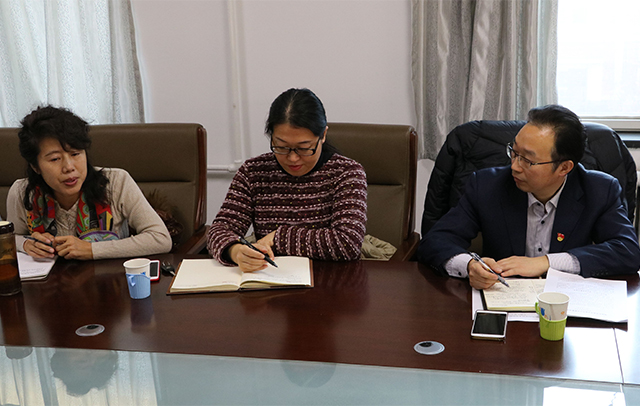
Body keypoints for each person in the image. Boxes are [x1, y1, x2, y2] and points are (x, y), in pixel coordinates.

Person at [417, 105, 640, 290]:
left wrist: (546, 263)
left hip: (566, 304)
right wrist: (469, 265)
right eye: (514, 152)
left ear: (564, 167)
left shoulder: (599, 190)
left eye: (528, 160)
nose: (514, 166)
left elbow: (628, 251)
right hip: (503, 299)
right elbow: (435, 241)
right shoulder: (487, 185)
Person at [207, 88, 367, 272]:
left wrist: (278, 238)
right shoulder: (254, 172)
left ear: (323, 135)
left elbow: (348, 242)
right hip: (270, 278)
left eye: (304, 148)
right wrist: (235, 251)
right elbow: (220, 229)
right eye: (281, 147)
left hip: (333, 280)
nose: (292, 158)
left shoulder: (346, 172)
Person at [6, 106, 172, 260]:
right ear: (35, 166)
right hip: (50, 280)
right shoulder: (22, 192)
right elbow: (10, 238)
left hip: (110, 279)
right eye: (55, 159)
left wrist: (92, 249)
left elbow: (160, 238)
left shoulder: (116, 182)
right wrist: (26, 244)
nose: (69, 167)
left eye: (75, 154)